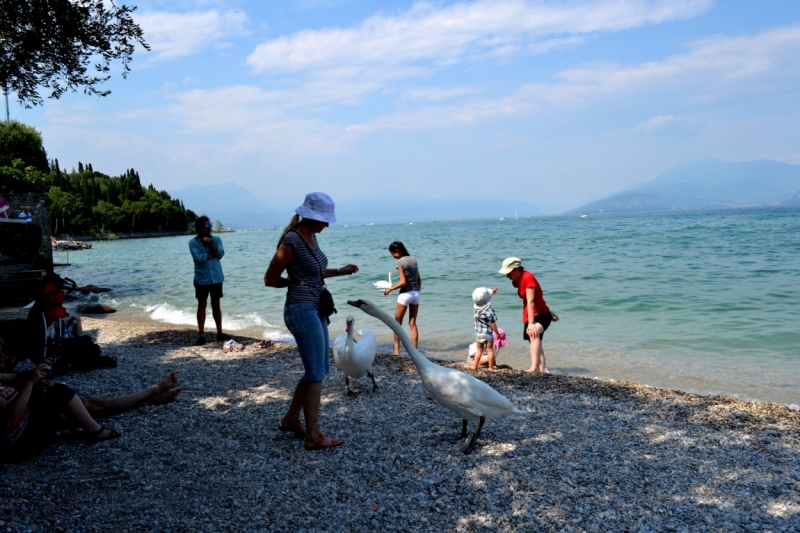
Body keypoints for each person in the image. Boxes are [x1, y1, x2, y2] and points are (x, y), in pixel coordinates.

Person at [264, 192, 358, 450]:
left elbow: (314, 271)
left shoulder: (311, 237)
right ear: (311, 216)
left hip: (315, 309)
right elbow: (270, 278)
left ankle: (292, 419)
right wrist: (297, 283)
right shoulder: (291, 241)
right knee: (316, 373)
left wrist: (340, 271)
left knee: (317, 370)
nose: (327, 224)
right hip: (301, 310)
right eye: (324, 219)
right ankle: (313, 435)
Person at [0, 337, 182, 461]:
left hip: (26, 425)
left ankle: (149, 398)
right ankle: (97, 430)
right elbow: (12, 411)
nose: (4, 358)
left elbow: (18, 378)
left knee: (88, 403)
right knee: (63, 394)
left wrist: (38, 372)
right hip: (20, 444)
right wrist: (31, 383)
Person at [499, 257, 556, 373]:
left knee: (533, 334)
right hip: (530, 314)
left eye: (508, 273)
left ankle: (534, 367)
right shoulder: (518, 280)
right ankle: (542, 371)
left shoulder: (528, 277)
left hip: (541, 315)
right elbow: (537, 299)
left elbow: (531, 301)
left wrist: (531, 323)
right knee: (536, 342)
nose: (507, 276)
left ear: (516, 269)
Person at [189, 216, 231, 346]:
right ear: (199, 228)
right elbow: (198, 258)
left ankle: (220, 333)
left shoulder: (217, 239)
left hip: (216, 278)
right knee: (201, 307)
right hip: (201, 278)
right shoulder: (193, 242)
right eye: (207, 226)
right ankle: (201, 335)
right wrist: (213, 254)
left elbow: (221, 253)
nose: (210, 228)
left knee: (216, 306)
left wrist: (211, 243)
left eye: (210, 225)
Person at [382, 241, 422, 355]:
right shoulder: (413, 259)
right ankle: (415, 351)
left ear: (397, 251)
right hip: (416, 293)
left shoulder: (400, 262)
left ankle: (396, 350)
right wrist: (417, 291)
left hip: (405, 294)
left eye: (393, 254)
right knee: (413, 323)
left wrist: (390, 289)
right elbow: (419, 279)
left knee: (397, 323)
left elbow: (403, 282)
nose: (393, 257)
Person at [470, 287, 500, 371]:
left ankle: (474, 366)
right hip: (487, 334)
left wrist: (491, 293)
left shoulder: (476, 309)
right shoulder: (489, 311)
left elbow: (483, 299)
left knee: (479, 350)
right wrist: (497, 333)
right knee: (490, 350)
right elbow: (492, 323)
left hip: (478, 334)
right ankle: (491, 368)